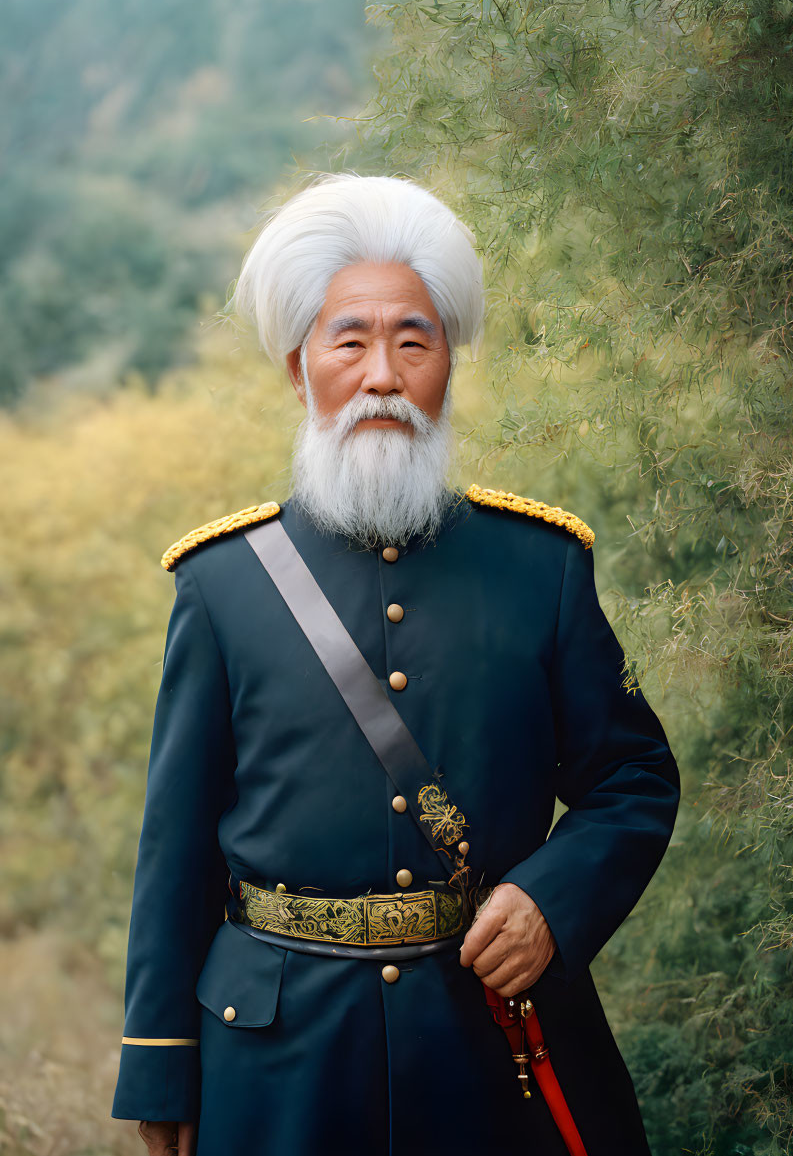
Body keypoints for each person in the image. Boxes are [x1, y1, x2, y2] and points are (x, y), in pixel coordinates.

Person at [110, 173, 681, 1156]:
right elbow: (176, 850)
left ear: (446, 363)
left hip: (488, 1049)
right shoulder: (221, 584)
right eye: (351, 341)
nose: (383, 375)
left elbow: (631, 781)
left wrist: (551, 900)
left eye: (412, 342)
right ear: (301, 371)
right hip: (274, 1066)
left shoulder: (542, 569)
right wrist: (158, 1059)